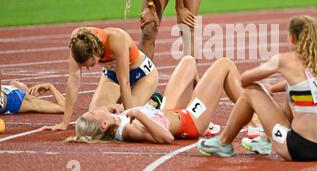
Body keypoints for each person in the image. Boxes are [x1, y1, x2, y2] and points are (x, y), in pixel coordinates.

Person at [197, 16, 317, 161]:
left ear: (293, 38)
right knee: (293, 92)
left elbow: (245, 79)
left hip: (301, 148)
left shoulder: (286, 59)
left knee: (251, 91)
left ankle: (223, 142)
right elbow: (303, 85)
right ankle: (265, 140)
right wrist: (272, 88)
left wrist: (263, 90)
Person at [66, 56, 241, 143]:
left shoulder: (115, 123)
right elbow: (166, 138)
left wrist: (113, 110)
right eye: (95, 113)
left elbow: (113, 115)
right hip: (190, 121)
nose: (98, 109)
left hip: (170, 111)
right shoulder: (128, 129)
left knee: (188, 61)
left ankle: (202, 102)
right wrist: (138, 114)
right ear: (103, 125)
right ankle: (255, 119)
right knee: (224, 65)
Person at [43, 27, 158, 131]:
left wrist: (128, 120)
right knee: (94, 120)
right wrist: (64, 123)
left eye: (90, 64)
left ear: (96, 54)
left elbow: (124, 81)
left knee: (125, 118)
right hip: (112, 75)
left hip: (142, 75)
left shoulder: (117, 38)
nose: (87, 68)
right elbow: (73, 82)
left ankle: (153, 102)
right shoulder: (77, 43)